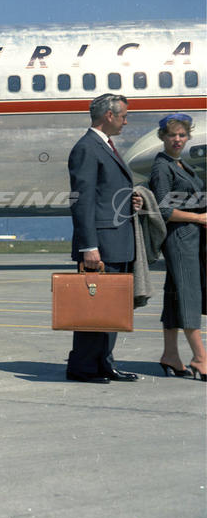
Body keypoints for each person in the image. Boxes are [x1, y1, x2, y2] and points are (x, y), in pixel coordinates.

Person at [65, 94, 144, 383]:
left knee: (111, 310)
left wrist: (130, 201)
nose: (126, 121)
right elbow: (82, 201)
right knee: (93, 309)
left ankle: (104, 363)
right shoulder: (87, 148)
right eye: (123, 116)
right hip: (101, 245)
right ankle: (83, 367)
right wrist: (89, 246)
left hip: (118, 241)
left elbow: (104, 194)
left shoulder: (105, 146)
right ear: (109, 115)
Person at [147, 113, 207, 380]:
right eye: (172, 135)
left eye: (182, 135)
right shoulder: (162, 167)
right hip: (179, 237)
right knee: (188, 293)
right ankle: (200, 358)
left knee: (174, 294)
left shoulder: (180, 164)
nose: (177, 139)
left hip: (190, 236)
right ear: (163, 137)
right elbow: (163, 210)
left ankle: (170, 355)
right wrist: (198, 218)